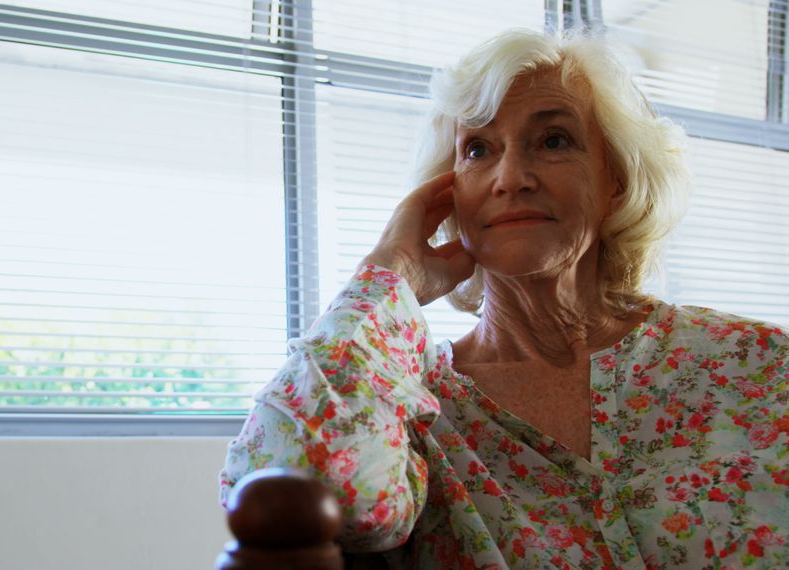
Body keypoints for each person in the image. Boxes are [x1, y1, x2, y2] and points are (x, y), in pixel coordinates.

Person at [220, 29, 788, 569]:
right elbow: (284, 495)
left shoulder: (758, 367)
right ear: (447, 197)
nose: (511, 175)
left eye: (555, 140)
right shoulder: (411, 409)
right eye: (477, 150)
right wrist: (386, 278)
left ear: (614, 180)